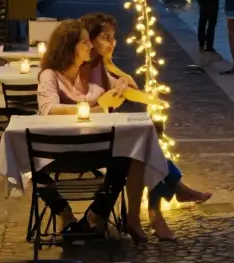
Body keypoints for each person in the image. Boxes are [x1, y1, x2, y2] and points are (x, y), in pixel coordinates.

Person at [81, 13, 213, 240]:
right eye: (105, 37)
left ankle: (160, 206)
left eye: (113, 37)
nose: (112, 42)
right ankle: (164, 202)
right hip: (98, 140)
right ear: (90, 40)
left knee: (147, 145)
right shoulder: (89, 70)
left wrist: (151, 98)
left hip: (112, 135)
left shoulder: (103, 66)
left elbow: (129, 86)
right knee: (146, 150)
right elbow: (116, 93)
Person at [35, 20, 150, 243]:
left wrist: (122, 84)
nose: (90, 46)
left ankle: (96, 214)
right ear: (70, 47)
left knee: (128, 155)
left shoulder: (89, 72)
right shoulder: (50, 75)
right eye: (85, 41)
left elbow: (120, 88)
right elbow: (47, 109)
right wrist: (86, 109)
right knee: (29, 165)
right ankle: (65, 213)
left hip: (95, 149)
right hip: (60, 152)